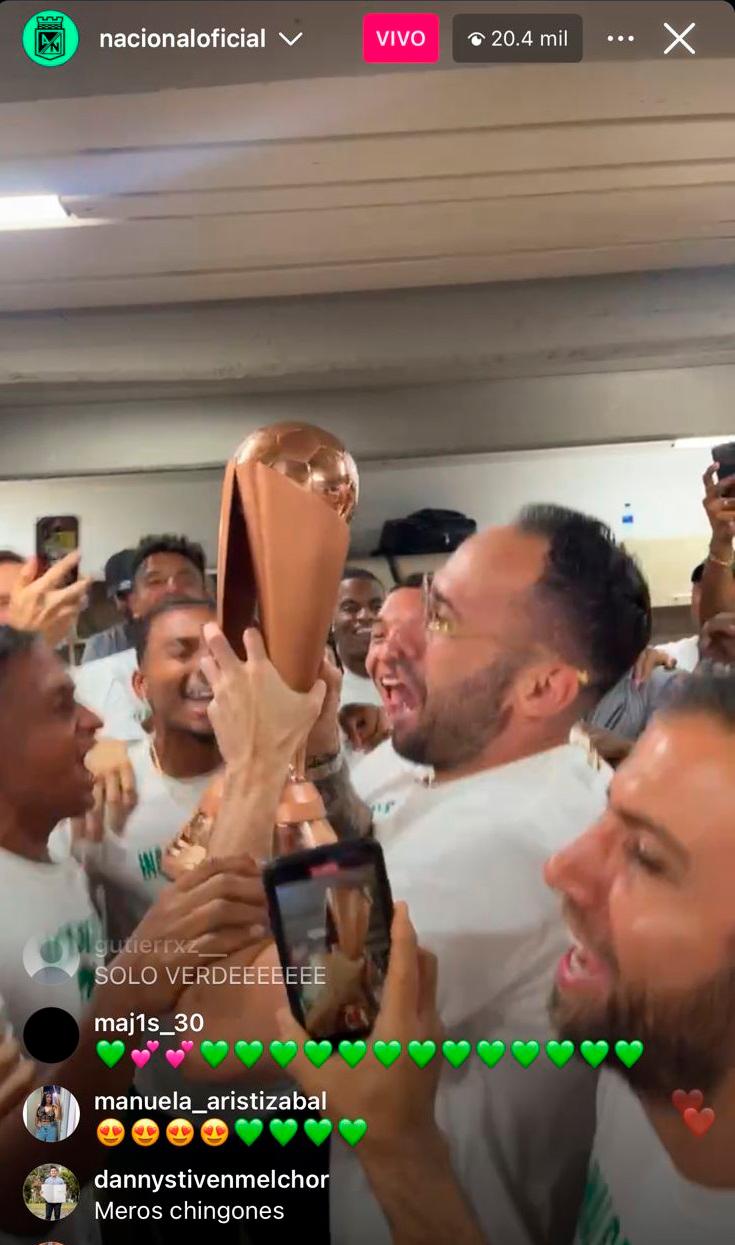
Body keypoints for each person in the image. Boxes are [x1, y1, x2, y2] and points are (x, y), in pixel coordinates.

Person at [283, 672, 735, 1245]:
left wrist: (396, 1147)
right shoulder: (653, 1063)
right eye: (607, 815)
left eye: (645, 857)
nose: (560, 869)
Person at [0, 624, 269, 1242]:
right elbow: (22, 1198)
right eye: (63, 705)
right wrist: (129, 993)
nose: (98, 723)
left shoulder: (63, 863)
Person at [52, 597, 223, 940]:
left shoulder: (272, 776)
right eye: (182, 651)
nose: (207, 666)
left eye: (220, 654)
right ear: (140, 686)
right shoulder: (103, 790)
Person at [72, 533, 208, 742]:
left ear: (205, 593)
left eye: (186, 580)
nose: (172, 588)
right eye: (155, 581)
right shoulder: (99, 673)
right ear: (132, 601)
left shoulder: (239, 659)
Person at [333, 567, 386, 712]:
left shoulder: (414, 682)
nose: (366, 615)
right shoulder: (323, 691)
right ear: (330, 620)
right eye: (351, 608)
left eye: (376, 607)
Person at [80, 548, 136, 663]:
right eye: (122, 595)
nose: (133, 601)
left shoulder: (175, 636)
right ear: (114, 600)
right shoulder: (101, 645)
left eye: (137, 592)